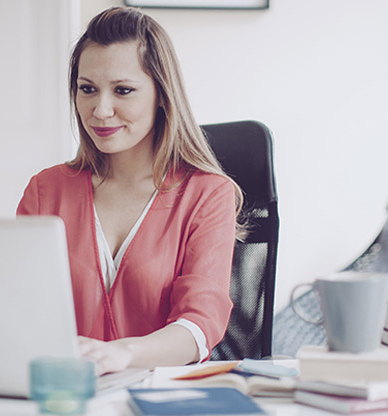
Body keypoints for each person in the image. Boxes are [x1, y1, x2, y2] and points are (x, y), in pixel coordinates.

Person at [17, 6, 244, 375]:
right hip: (68, 393)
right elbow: (18, 308)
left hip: (161, 397)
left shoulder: (207, 194)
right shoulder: (45, 191)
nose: (100, 110)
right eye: (87, 89)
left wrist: (124, 354)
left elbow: (199, 326)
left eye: (123, 90)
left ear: (161, 95)